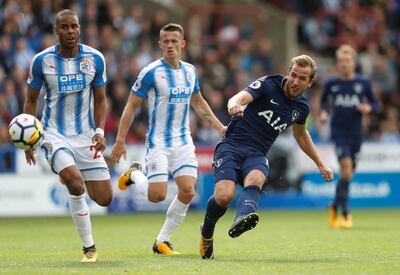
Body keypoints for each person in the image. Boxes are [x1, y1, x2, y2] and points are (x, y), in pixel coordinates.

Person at [199, 55, 334, 259]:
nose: (296, 81)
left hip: (257, 153)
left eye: (302, 78)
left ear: (310, 82)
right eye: (293, 75)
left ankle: (242, 218)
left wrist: (320, 164)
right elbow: (238, 97)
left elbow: (301, 135)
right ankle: (206, 231)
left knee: (256, 179)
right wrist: (233, 106)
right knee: (224, 196)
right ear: (288, 72)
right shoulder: (268, 84)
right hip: (232, 146)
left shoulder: (301, 108)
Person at [111, 23, 225, 255]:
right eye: (166, 41)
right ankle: (134, 173)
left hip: (183, 141)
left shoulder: (191, 71)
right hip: (158, 143)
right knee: (157, 195)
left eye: (175, 41)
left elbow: (198, 102)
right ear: (160, 44)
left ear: (183, 44)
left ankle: (162, 241)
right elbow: (131, 105)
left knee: (188, 191)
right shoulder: (151, 72)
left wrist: (219, 127)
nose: (170, 45)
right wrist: (120, 140)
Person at [24, 9, 112, 262]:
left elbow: (101, 99)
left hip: (85, 135)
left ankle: (69, 171)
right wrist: (29, 140)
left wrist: (99, 131)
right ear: (56, 30)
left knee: (104, 199)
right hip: (54, 134)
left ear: (79, 28)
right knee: (75, 182)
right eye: (65, 27)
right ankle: (89, 249)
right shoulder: (42, 61)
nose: (70, 31)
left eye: (74, 26)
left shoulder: (95, 58)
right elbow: (31, 101)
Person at [319, 44, 378, 229]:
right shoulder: (331, 83)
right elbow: (322, 101)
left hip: (356, 134)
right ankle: (345, 213)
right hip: (338, 132)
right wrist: (323, 113)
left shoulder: (363, 83)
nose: (343, 64)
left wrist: (368, 108)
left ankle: (334, 206)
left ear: (353, 62)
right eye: (341, 61)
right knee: (345, 170)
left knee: (348, 174)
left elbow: (375, 104)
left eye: (347, 60)